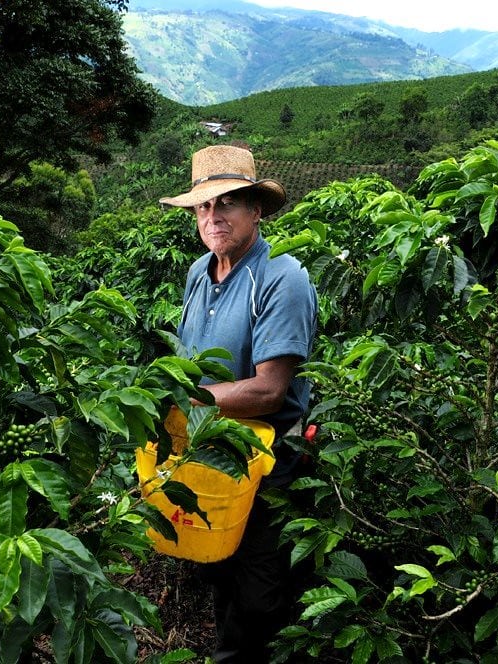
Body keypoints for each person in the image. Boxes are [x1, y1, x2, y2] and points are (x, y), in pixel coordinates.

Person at [160, 144, 318, 662]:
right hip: (214, 456)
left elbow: (269, 389)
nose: (213, 217)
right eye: (204, 206)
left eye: (227, 203)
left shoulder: (281, 279)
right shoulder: (197, 274)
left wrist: (181, 399)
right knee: (219, 567)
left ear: (255, 209)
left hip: (270, 462)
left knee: (259, 591)